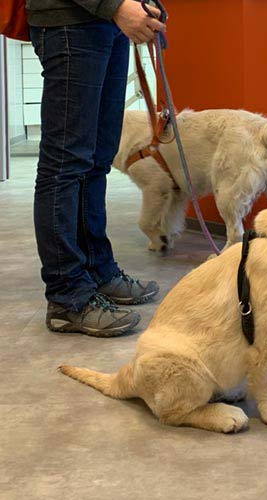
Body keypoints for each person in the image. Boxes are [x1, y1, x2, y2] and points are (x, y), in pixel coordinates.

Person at [26, 0, 166, 336]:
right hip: (71, 23)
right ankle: (67, 298)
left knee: (97, 159)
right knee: (66, 162)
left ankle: (97, 271)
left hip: (107, 25)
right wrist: (115, 5)